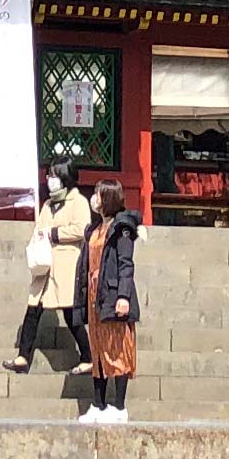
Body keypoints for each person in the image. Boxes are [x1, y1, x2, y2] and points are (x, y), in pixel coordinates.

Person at [7, 161, 89, 375]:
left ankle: (88, 356)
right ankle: (23, 357)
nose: (49, 179)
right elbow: (40, 228)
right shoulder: (47, 205)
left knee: (71, 313)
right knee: (32, 309)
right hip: (45, 264)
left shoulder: (78, 202)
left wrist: (54, 234)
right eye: (48, 175)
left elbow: (81, 229)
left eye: (53, 175)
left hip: (66, 264)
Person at [77, 180, 141, 425]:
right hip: (94, 293)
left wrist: (123, 295)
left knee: (118, 348)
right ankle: (98, 403)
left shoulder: (122, 228)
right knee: (97, 348)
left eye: (98, 194)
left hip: (113, 293)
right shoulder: (93, 229)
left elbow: (126, 264)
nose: (94, 199)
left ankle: (119, 405)